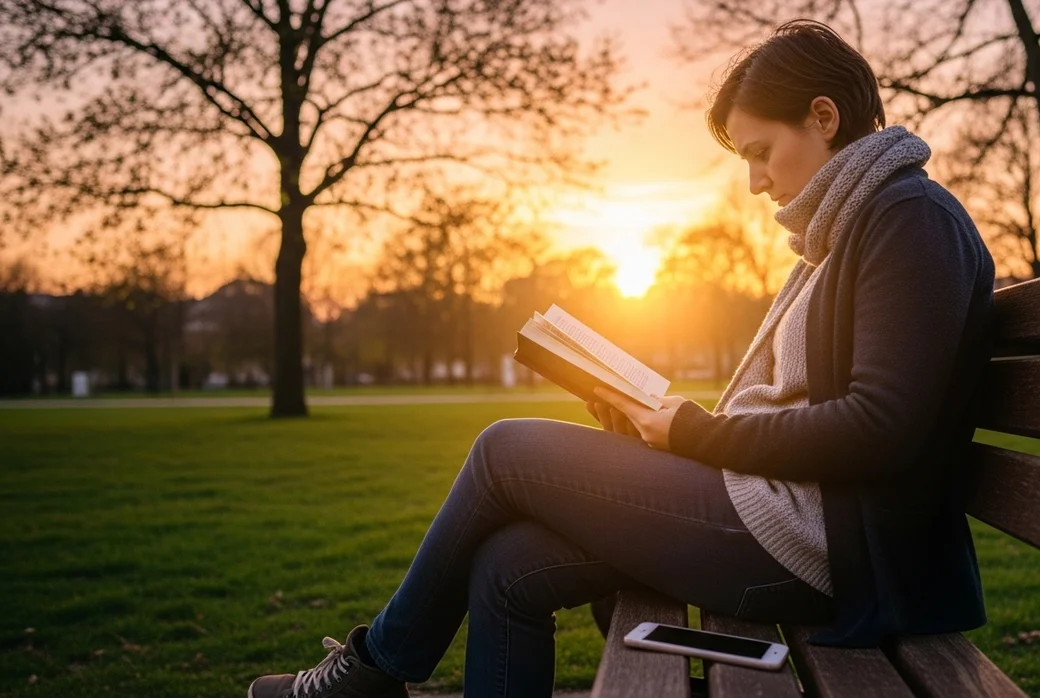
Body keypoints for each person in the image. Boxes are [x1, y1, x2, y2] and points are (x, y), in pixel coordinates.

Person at [248, 18, 995, 698]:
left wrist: (694, 434)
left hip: (820, 548)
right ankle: (372, 672)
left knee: (504, 449)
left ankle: (371, 674)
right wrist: (656, 425)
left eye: (762, 153)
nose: (755, 182)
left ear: (823, 117)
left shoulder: (909, 222)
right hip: (776, 513)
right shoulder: (852, 231)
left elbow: (881, 427)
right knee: (507, 567)